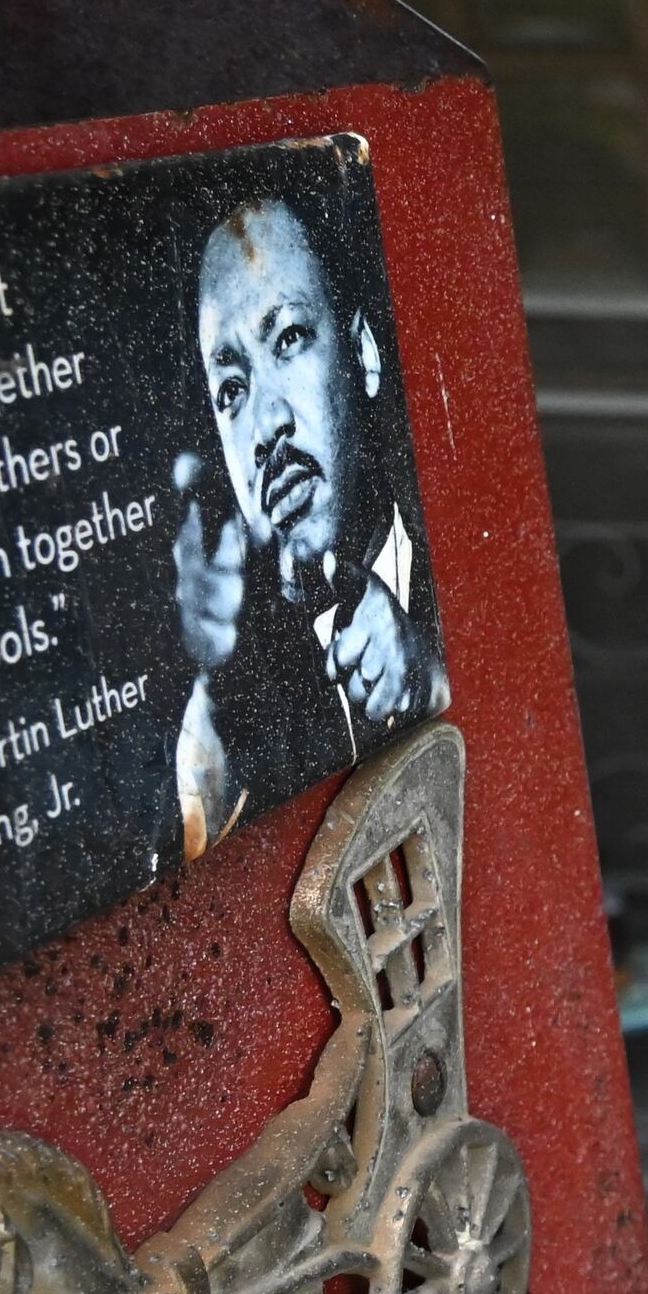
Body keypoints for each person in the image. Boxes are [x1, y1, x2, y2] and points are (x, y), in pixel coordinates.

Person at [171, 193, 445, 855]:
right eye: (231, 390)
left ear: (365, 357)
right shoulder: (236, 685)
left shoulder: (456, 564)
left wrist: (430, 673)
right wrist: (215, 705)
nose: (266, 426)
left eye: (289, 339)